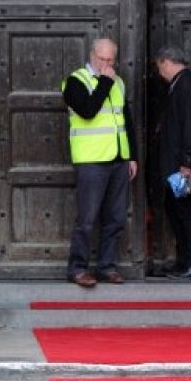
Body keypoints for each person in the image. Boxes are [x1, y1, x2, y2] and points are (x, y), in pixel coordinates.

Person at [61, 38, 138, 288]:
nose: (106, 64)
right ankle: (77, 268)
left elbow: (125, 119)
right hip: (91, 159)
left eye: (110, 60)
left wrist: (131, 156)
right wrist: (105, 81)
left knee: (115, 217)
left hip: (118, 158)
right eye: (101, 59)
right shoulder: (75, 81)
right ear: (91, 55)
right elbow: (87, 110)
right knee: (87, 218)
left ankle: (107, 267)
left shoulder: (119, 82)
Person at [155, 46, 191, 281]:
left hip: (185, 167)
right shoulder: (180, 84)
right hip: (176, 167)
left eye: (160, 67)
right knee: (176, 211)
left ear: (167, 62)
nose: (160, 72)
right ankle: (183, 262)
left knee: (188, 212)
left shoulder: (187, 85)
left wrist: (187, 161)